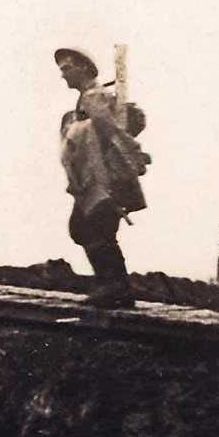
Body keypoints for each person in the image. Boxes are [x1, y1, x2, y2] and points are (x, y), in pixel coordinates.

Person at [55, 48, 150, 308]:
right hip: (92, 178)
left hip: (104, 178)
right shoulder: (88, 98)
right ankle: (113, 285)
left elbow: (111, 131)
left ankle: (115, 286)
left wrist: (134, 155)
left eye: (67, 68)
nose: (63, 75)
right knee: (88, 228)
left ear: (85, 68)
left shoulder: (95, 97)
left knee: (94, 227)